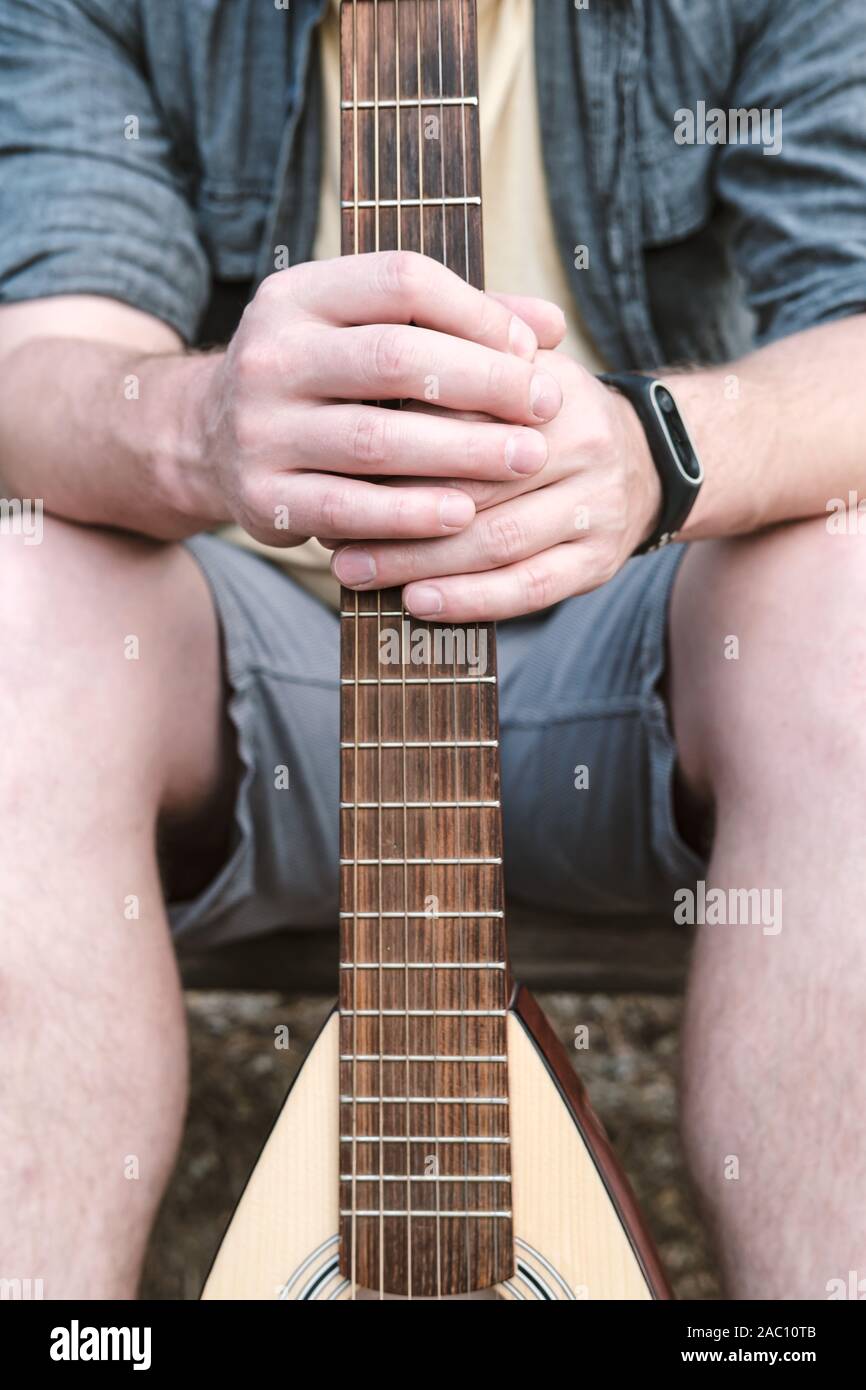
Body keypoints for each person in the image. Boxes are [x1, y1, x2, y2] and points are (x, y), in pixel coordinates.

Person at [1, 0, 865, 1300]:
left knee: (852, 595)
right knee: (19, 602)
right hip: (274, 665)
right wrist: (205, 421)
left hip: (651, 642)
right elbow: (38, 372)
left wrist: (655, 451)